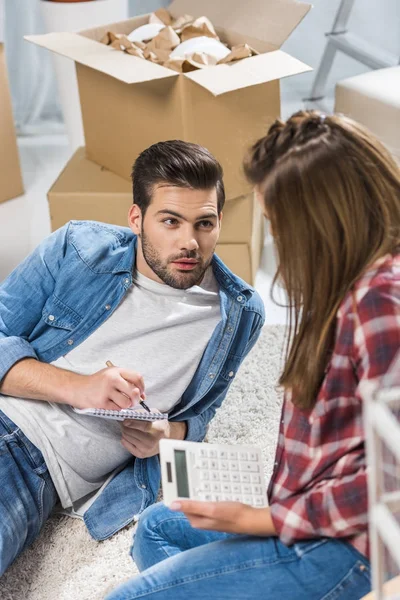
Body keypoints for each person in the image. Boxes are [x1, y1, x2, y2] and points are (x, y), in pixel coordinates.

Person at [106, 111, 400, 600]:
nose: (278, 242)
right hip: (308, 513)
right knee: (159, 525)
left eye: (278, 224)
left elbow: (390, 484)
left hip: (346, 547)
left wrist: (261, 519)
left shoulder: (380, 302)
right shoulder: (350, 285)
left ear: (321, 219)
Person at [0, 140, 265, 576]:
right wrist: (79, 387)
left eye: (204, 223)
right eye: (170, 221)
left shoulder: (238, 315)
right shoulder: (78, 249)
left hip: (41, 478)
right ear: (136, 218)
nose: (189, 243)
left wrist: (170, 432)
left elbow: (202, 413)